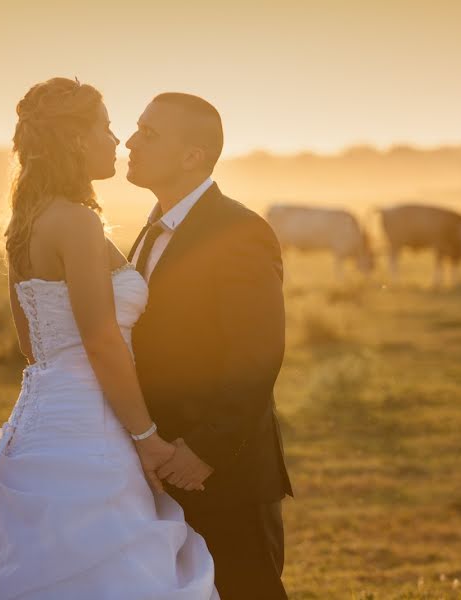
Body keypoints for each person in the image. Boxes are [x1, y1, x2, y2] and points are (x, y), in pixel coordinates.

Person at [0, 78, 217, 599]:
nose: (117, 139)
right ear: (77, 140)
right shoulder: (77, 223)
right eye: (105, 127)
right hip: (89, 432)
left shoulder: (25, 222)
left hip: (37, 426)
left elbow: (33, 344)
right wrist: (146, 440)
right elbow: (101, 342)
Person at [126, 92, 293, 599]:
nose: (130, 143)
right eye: (135, 129)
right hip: (159, 466)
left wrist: (204, 450)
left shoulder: (240, 231)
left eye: (148, 134)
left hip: (225, 473)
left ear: (192, 156)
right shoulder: (151, 229)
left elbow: (256, 354)